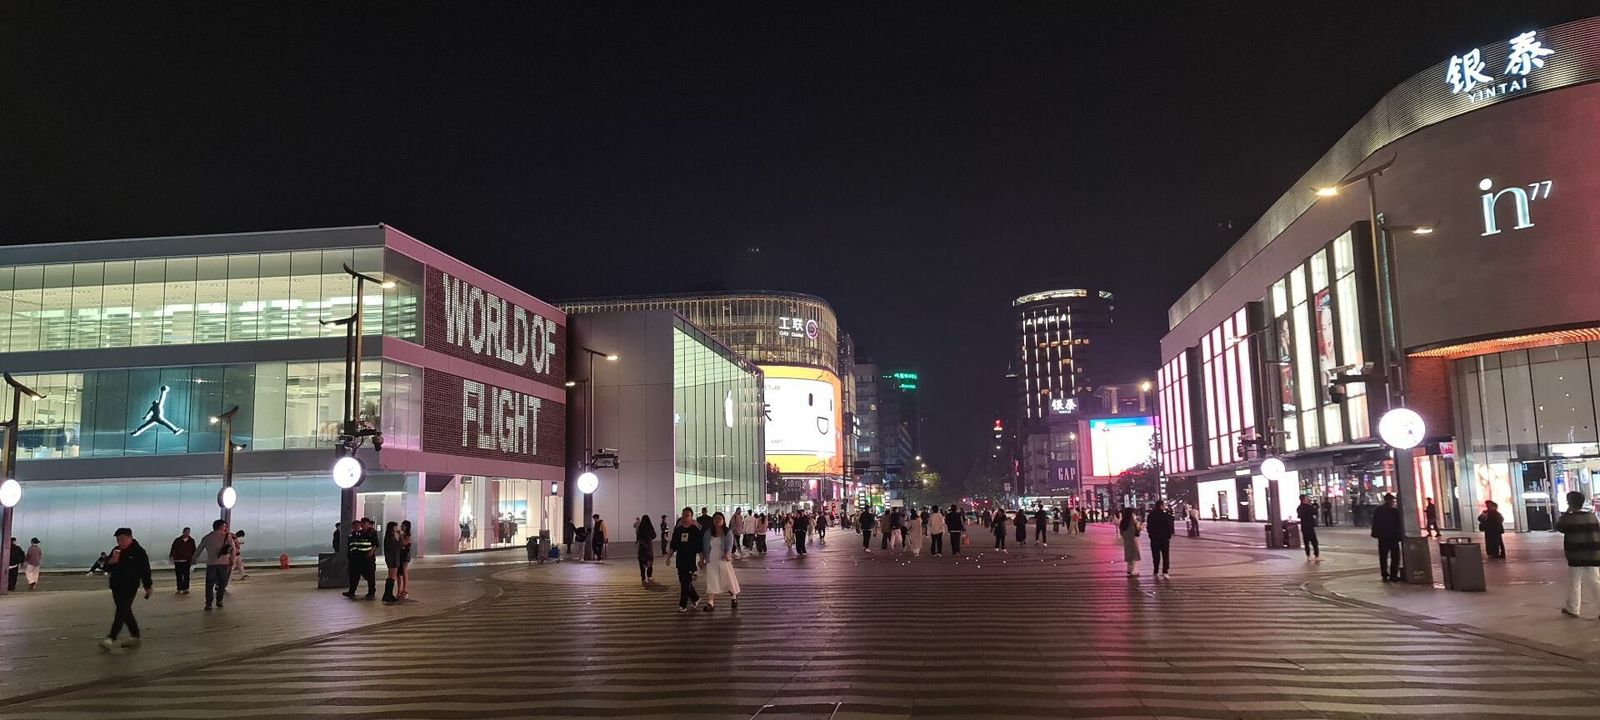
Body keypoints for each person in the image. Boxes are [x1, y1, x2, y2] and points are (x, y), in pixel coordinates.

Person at [99, 528, 152, 652]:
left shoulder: (139, 552)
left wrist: (148, 586)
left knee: (121, 611)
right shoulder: (116, 550)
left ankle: (111, 637)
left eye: (122, 539)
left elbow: (145, 570)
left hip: (130, 586)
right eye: (118, 540)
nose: (120, 542)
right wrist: (111, 561)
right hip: (116, 585)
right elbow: (106, 568)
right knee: (125, 610)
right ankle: (135, 635)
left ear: (130, 538)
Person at [1555, 491, 1600, 618]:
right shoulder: (1592, 517)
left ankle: (1573, 608)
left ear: (1570, 503)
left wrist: (1567, 512)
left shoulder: (1569, 519)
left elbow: (1558, 526)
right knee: (1595, 582)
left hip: (1575, 555)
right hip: (1593, 554)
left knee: (1575, 582)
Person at [192, 519, 237, 610]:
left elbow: (199, 549)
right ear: (220, 526)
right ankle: (219, 601)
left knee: (209, 584)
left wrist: (194, 559)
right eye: (224, 526)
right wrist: (232, 559)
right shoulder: (227, 536)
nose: (225, 528)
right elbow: (233, 549)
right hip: (224, 563)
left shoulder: (207, 537)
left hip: (211, 564)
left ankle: (208, 603)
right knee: (222, 583)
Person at [701, 511, 741, 611]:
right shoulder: (708, 532)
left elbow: (729, 545)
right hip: (711, 559)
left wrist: (727, 554)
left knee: (727, 579)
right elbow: (704, 546)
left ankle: (733, 596)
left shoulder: (727, 532)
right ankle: (710, 602)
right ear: (712, 520)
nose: (718, 520)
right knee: (712, 579)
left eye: (720, 518)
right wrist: (702, 559)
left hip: (723, 559)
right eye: (715, 518)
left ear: (723, 520)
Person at [667, 507, 704, 612]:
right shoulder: (678, 530)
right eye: (683, 515)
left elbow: (699, 547)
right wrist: (668, 557)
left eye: (687, 516)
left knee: (685, 583)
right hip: (680, 560)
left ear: (692, 517)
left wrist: (701, 560)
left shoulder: (695, 530)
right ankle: (695, 598)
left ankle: (682, 605)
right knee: (683, 581)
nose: (685, 517)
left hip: (690, 561)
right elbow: (673, 545)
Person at [1371, 493, 1404, 582]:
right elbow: (1398, 524)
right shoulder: (1394, 511)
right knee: (1395, 557)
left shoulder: (1378, 510)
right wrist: (1399, 536)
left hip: (1382, 537)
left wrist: (1375, 534)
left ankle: (1384, 574)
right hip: (1392, 537)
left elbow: (1375, 523)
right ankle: (1393, 575)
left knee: (1383, 557)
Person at [343, 517, 379, 599]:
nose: (363, 526)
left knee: (370, 576)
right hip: (358, 558)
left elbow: (375, 544)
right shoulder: (358, 533)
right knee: (354, 575)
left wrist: (371, 551)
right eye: (362, 524)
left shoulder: (372, 533)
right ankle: (351, 591)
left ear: (368, 524)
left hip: (368, 559)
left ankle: (371, 592)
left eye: (365, 524)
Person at [1145, 500, 1174, 578]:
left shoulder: (1151, 515)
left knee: (1155, 556)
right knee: (1165, 555)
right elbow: (1169, 526)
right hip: (1164, 538)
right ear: (1161, 506)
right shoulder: (1165, 515)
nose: (1164, 507)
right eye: (1164, 505)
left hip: (1154, 538)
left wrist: (1151, 535)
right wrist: (1168, 536)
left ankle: (1156, 571)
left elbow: (1149, 526)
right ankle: (1165, 571)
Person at [169, 527, 196, 594]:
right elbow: (173, 549)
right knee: (179, 575)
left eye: (188, 532)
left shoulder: (191, 541)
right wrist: (172, 556)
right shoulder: (177, 540)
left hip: (187, 561)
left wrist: (194, 559)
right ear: (183, 532)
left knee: (186, 575)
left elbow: (194, 550)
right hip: (178, 560)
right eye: (186, 532)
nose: (187, 533)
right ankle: (179, 588)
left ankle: (185, 588)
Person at [1296, 495, 1321, 561]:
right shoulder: (1309, 507)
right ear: (1304, 499)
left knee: (1306, 541)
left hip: (1304, 526)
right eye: (1306, 498)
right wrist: (1312, 506)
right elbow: (1315, 512)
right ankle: (1316, 555)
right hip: (1309, 526)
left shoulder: (1299, 507)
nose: (1308, 499)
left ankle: (1308, 555)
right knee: (1314, 541)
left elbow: (1299, 515)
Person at [1118, 507, 1142, 576]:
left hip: (1126, 540)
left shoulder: (1123, 522)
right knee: (1134, 555)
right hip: (1133, 540)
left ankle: (1129, 569)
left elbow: (1121, 532)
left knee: (1129, 555)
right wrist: (1139, 526)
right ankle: (1134, 570)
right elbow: (1137, 530)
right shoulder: (1132, 521)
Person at [635, 513, 657, 585]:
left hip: (642, 548)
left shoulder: (640, 528)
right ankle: (649, 577)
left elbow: (638, 537)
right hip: (648, 547)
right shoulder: (650, 527)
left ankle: (643, 578)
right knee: (649, 562)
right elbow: (654, 536)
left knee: (642, 564)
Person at [397, 520, 413, 600]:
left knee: (404, 571)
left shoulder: (408, 535)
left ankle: (405, 590)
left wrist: (400, 535)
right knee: (398, 573)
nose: (401, 527)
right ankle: (399, 590)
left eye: (403, 526)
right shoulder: (402, 535)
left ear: (407, 527)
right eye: (401, 525)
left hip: (405, 554)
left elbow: (404, 543)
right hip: (399, 554)